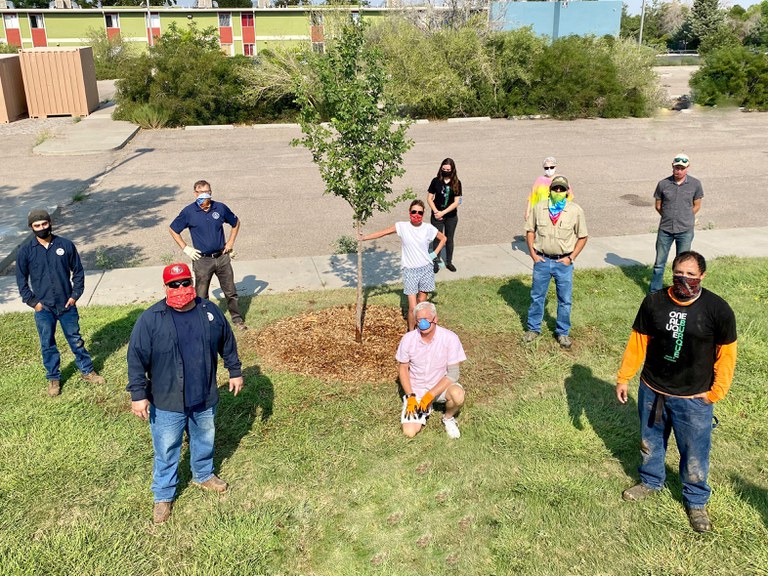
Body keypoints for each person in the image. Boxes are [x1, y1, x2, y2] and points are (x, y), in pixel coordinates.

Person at [616, 251, 737, 533]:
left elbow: (727, 355)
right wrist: (624, 377)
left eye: (691, 275)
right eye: (679, 274)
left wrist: (715, 393)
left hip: (693, 399)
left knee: (695, 452)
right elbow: (638, 342)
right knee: (650, 441)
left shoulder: (717, 310)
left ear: (702, 276)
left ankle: (696, 502)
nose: (684, 279)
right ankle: (650, 481)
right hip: (653, 390)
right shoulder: (654, 302)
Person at [127, 263, 244, 524]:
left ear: (191, 283)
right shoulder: (151, 319)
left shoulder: (209, 311)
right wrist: (138, 394)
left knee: (204, 438)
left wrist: (234, 370)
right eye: (174, 284)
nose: (180, 288)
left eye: (184, 283)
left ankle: (203, 474)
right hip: (166, 400)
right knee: (167, 449)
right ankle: (163, 495)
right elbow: (136, 358)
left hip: (203, 396)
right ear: (165, 286)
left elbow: (227, 342)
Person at [15, 209, 106, 397]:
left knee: (75, 340)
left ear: (50, 223)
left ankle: (87, 371)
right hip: (44, 308)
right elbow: (21, 280)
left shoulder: (65, 245)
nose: (41, 228)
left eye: (44, 224)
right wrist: (33, 302)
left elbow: (78, 272)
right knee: (47, 343)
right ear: (31, 228)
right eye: (37, 225)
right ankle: (53, 378)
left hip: (66, 305)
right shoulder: (25, 251)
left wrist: (75, 295)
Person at [169, 179, 247, 330]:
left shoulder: (220, 208)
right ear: (195, 194)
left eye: (208, 192)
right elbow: (173, 229)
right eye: (202, 193)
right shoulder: (188, 212)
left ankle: (237, 319)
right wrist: (186, 248)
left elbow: (235, 223)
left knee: (230, 291)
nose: (206, 196)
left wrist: (230, 242)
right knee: (201, 294)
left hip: (222, 257)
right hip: (202, 260)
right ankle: (204, 322)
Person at [359, 200, 447, 331]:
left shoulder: (428, 228)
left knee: (421, 305)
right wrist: (364, 238)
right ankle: (411, 333)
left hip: (426, 269)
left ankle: (420, 330)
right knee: (413, 307)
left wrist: (433, 254)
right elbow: (384, 232)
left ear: (423, 214)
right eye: (414, 211)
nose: (416, 214)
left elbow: (443, 239)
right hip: (410, 271)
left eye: (420, 212)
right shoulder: (402, 226)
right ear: (409, 212)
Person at [523, 175, 588, 349]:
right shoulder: (539, 208)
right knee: (537, 297)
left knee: (565, 299)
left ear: (567, 192)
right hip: (542, 260)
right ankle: (533, 328)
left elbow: (583, 236)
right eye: (555, 189)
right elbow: (529, 231)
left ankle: (562, 332)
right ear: (550, 190)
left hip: (563, 262)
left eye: (562, 189)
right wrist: (533, 255)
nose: (558, 192)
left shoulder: (575, 211)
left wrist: (571, 257)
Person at [396, 302, 466, 439]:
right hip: (417, 390)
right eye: (419, 320)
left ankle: (448, 418)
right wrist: (410, 396)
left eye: (426, 319)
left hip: (440, 387)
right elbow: (403, 368)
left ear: (435, 319)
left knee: (457, 395)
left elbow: (453, 374)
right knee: (409, 432)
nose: (423, 324)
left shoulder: (450, 338)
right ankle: (424, 409)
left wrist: (430, 395)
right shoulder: (408, 339)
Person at [649, 153, 703, 293]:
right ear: (672, 167)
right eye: (676, 168)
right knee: (659, 264)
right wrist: (669, 216)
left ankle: (681, 290)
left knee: (684, 265)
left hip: (685, 231)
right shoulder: (663, 184)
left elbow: (696, 205)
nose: (679, 171)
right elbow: (658, 206)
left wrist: (685, 217)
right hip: (665, 230)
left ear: (687, 168)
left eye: (682, 168)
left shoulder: (695, 184)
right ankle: (654, 292)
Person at [427, 158, 462, 273]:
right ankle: (435, 261)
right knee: (436, 239)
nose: (446, 171)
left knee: (449, 238)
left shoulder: (457, 183)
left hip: (451, 216)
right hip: (437, 215)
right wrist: (436, 211)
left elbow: (457, 202)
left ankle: (449, 261)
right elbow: (429, 198)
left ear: (452, 170)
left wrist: (444, 212)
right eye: (444, 169)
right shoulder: (435, 181)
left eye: (448, 169)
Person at [524, 156, 573, 221]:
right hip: (542, 212)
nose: (549, 169)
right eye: (546, 168)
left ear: (556, 167)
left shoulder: (561, 179)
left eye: (551, 167)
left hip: (558, 212)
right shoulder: (539, 180)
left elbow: (569, 196)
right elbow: (531, 197)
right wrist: (527, 212)